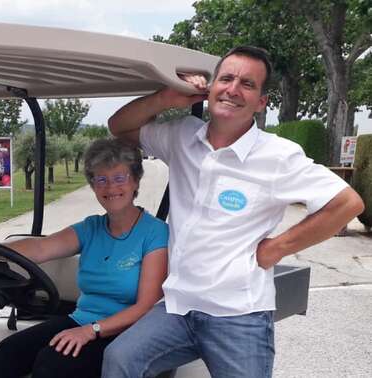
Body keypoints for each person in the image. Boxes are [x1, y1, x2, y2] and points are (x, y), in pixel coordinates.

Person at [102, 46, 364, 378]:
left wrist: (277, 248)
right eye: (226, 78)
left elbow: (347, 203)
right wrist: (166, 98)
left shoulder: (278, 156)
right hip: (178, 308)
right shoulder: (181, 136)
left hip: (239, 315)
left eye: (247, 84)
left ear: (260, 103)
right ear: (210, 89)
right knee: (120, 359)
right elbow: (119, 127)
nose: (233, 89)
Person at [0, 138, 168, 378]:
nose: (110, 188)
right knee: (4, 355)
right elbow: (42, 248)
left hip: (127, 332)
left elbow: (146, 307)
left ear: (135, 180)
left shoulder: (155, 232)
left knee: (52, 365)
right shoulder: (91, 228)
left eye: (120, 178)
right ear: (93, 185)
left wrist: (92, 330)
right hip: (80, 320)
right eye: (101, 179)